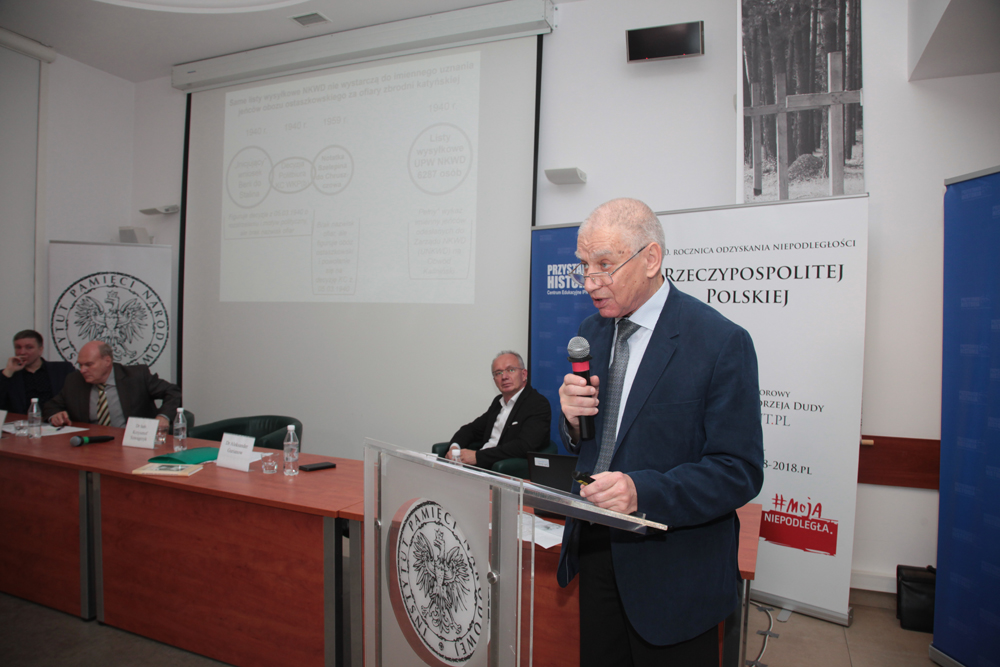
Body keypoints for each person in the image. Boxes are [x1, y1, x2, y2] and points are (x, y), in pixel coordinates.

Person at [557, 198, 764, 667]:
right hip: (597, 551)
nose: (590, 282)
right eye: (584, 265)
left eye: (604, 265)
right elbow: (594, 442)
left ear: (651, 259)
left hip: (674, 572)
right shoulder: (592, 330)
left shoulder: (720, 342)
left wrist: (641, 492)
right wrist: (571, 421)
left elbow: (739, 471)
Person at [447, 350, 551, 469]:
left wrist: (477, 457)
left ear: (524, 374)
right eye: (498, 373)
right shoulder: (498, 403)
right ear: (494, 380)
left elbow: (524, 446)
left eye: (511, 370)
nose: (504, 377)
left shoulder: (537, 404)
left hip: (502, 470)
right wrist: (455, 448)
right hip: (481, 465)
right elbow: (471, 429)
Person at [43, 340, 181, 429]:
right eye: (81, 365)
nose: (83, 370)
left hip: (133, 443)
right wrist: (55, 415)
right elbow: (51, 406)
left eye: (89, 364)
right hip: (90, 446)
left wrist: (163, 417)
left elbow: (173, 392)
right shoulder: (75, 381)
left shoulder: (136, 376)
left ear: (107, 361)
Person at [0, 330, 75, 415]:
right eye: (18, 347)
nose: (22, 352)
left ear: (40, 350)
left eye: (29, 347)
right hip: (22, 421)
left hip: (56, 420)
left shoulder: (62, 369)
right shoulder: (8, 375)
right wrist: (8, 371)